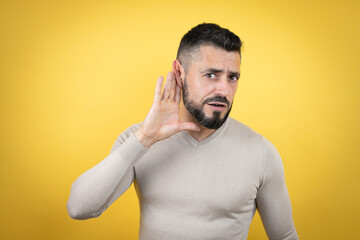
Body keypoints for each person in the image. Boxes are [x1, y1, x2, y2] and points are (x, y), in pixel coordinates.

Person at [67, 23, 299, 240]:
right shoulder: (140, 139)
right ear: (179, 73)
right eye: (211, 75)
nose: (224, 90)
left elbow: (285, 237)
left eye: (232, 78)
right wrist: (145, 139)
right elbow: (79, 208)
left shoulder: (261, 152)